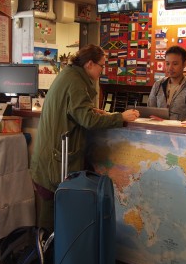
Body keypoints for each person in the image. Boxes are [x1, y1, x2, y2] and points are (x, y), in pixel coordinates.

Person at [30, 44, 140, 232]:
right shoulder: (76, 81)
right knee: (52, 219)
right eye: (101, 66)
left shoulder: (69, 74)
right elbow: (87, 120)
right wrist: (120, 118)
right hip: (56, 161)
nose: (102, 70)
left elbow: (75, 110)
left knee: (52, 216)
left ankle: (50, 257)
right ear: (89, 64)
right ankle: (50, 259)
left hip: (49, 158)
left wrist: (92, 110)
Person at [147, 46, 186, 121]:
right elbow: (149, 113)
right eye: (167, 64)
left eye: (175, 64)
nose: (170, 68)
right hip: (159, 130)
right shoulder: (158, 85)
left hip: (181, 131)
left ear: (184, 64)